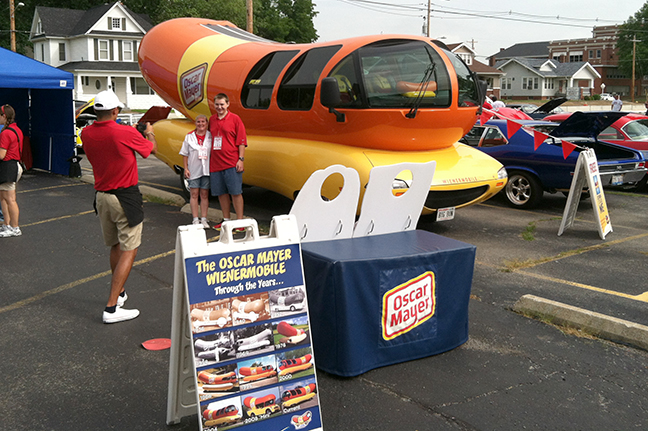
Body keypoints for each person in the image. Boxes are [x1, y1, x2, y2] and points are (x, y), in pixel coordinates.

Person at [81, 90, 157, 324]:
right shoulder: (123, 131)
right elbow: (149, 150)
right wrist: (150, 133)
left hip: (101, 196)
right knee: (130, 248)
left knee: (115, 245)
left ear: (96, 110)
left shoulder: (86, 133)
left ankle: (120, 292)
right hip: (125, 196)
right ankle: (112, 307)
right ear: (115, 111)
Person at [208, 93, 247, 230]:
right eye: (217, 105)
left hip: (231, 161)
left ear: (228, 104)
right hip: (215, 163)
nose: (219, 107)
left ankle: (240, 221)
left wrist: (240, 159)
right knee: (221, 192)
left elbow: (241, 141)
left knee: (235, 192)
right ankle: (226, 219)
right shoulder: (212, 120)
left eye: (222, 104)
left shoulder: (235, 119)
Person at [179, 114, 212, 228]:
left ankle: (204, 219)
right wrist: (186, 168)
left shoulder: (210, 136)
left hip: (206, 170)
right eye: (198, 122)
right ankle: (195, 219)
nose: (201, 124)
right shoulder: (189, 136)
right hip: (194, 169)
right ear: (195, 123)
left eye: (203, 122)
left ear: (207, 123)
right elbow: (184, 154)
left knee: (204, 194)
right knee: (194, 194)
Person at [0, 104, 24, 238]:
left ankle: (14, 227)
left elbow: (1, 155)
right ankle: (7, 225)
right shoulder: (16, 129)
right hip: (13, 165)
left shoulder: (6, 133)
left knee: (9, 199)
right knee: (3, 198)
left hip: (8, 166)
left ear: (4, 116)